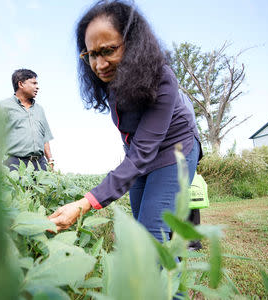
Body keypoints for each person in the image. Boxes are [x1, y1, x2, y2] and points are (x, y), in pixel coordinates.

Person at [48, 0, 202, 244]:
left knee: (152, 235)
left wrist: (84, 204)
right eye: (92, 54)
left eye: (108, 50)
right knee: (140, 230)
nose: (99, 65)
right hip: (140, 157)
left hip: (176, 151)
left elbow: (142, 151)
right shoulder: (112, 82)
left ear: (133, 44)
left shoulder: (162, 79)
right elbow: (135, 145)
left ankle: (159, 280)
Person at [0, 69, 54, 171]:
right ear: (21, 84)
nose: (37, 87)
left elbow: (45, 137)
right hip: (14, 163)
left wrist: (50, 160)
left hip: (40, 164)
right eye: (34, 83)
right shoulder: (3, 106)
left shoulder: (39, 109)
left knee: (45, 187)